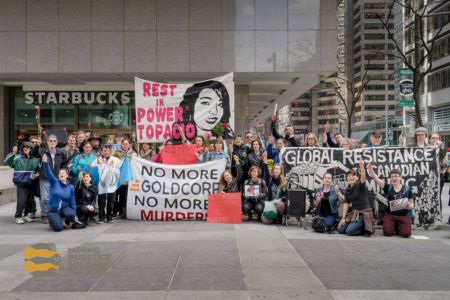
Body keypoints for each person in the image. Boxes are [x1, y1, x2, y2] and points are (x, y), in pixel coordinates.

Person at [367, 166, 413, 238]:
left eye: (396, 176)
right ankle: (393, 225)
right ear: (390, 178)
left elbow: (411, 203)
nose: (394, 178)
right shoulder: (388, 187)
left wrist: (410, 205)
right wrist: (371, 171)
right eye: (392, 176)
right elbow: (377, 179)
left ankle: (398, 225)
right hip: (390, 215)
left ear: (400, 177)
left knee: (406, 234)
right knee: (387, 232)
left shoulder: (407, 189)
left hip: (403, 215)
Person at [4, 142, 40, 224]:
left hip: (30, 182)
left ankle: (26, 215)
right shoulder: (17, 158)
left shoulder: (34, 159)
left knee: (30, 201)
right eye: (24, 147)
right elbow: (6, 162)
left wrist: (37, 174)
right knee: (22, 201)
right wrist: (13, 153)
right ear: (22, 148)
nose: (26, 149)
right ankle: (18, 216)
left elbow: (38, 170)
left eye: (28, 147)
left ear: (31, 149)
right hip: (21, 183)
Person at [42, 154, 78, 232]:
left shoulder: (70, 187)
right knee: (58, 228)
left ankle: (65, 221)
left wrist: (74, 214)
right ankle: (52, 221)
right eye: (60, 173)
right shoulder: (54, 182)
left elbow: (72, 201)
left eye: (63, 173)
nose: (61, 174)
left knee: (72, 214)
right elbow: (49, 173)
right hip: (53, 210)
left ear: (67, 175)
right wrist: (45, 163)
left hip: (64, 208)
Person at [337, 159, 374, 236]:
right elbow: (346, 204)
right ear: (347, 178)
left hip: (363, 214)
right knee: (340, 229)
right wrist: (343, 218)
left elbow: (363, 179)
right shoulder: (347, 190)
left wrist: (361, 166)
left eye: (353, 175)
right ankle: (357, 226)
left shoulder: (360, 185)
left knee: (349, 231)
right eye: (349, 176)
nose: (351, 177)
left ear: (357, 177)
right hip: (354, 214)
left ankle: (367, 228)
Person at [38, 135, 67, 225]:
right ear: (47, 142)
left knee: (57, 198)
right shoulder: (42, 152)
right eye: (50, 141)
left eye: (54, 141)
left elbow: (64, 164)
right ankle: (44, 215)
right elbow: (35, 157)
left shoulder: (60, 152)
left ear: (57, 142)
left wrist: (64, 174)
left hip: (56, 179)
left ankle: (55, 214)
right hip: (45, 178)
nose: (52, 142)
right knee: (45, 198)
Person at [94, 144, 120, 223]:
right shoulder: (98, 160)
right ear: (101, 151)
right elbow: (92, 169)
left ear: (110, 151)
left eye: (107, 151)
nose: (106, 152)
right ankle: (101, 217)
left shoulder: (115, 159)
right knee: (101, 200)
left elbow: (122, 167)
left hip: (112, 183)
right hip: (101, 183)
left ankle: (109, 217)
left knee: (111, 200)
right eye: (104, 151)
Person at [112, 138, 136, 219]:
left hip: (127, 179)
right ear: (121, 145)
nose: (125, 145)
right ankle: (115, 211)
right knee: (115, 195)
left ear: (129, 145)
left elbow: (137, 164)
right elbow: (113, 162)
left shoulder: (133, 153)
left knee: (124, 196)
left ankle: (124, 212)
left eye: (127, 144)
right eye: (123, 144)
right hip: (118, 178)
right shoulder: (116, 153)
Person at [429, 133, 448, 198]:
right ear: (430, 140)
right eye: (433, 138)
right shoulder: (427, 148)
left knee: (437, 197)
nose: (435, 139)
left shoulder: (443, 149)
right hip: (429, 176)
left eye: (437, 138)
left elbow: (445, 164)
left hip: (439, 175)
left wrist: (440, 148)